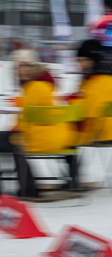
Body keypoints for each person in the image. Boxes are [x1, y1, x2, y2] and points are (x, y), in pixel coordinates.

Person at [0, 50, 78, 198]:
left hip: (40, 139)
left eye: (26, 66)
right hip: (64, 139)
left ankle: (27, 188)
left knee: (9, 140)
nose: (22, 70)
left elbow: (23, 124)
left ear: (34, 67)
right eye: (19, 66)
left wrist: (13, 129)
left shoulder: (33, 87)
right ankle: (73, 181)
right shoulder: (50, 85)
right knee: (9, 139)